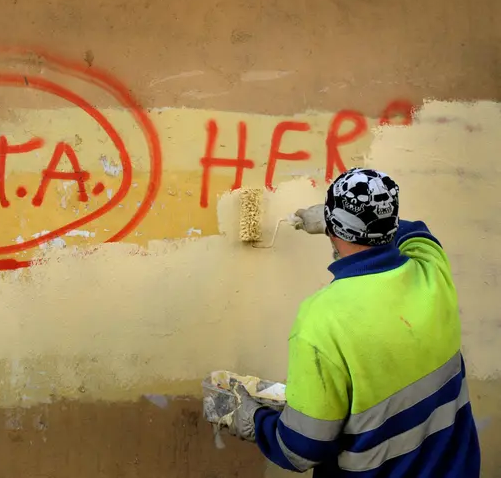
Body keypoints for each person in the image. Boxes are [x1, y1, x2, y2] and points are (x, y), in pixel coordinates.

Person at [204, 168, 481, 477]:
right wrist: (341, 220)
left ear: (334, 231)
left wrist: (251, 418)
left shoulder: (322, 320)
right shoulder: (431, 267)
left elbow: (300, 449)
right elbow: (413, 229)